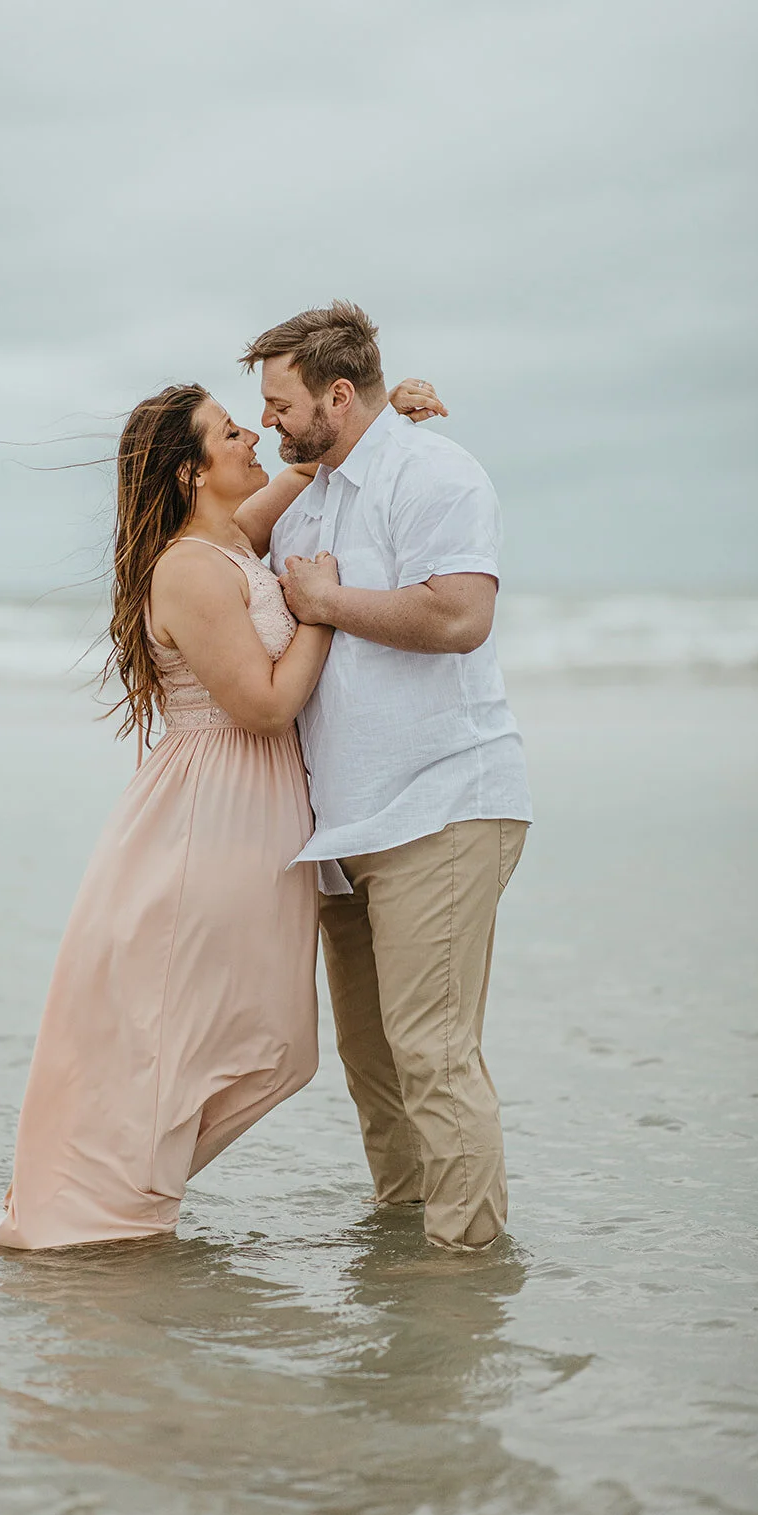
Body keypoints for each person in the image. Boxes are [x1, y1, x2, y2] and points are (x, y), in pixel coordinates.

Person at [0, 372, 440, 1249]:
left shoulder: (233, 542)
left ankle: (120, 1190)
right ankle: (107, 1203)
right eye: (229, 433)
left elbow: (307, 467)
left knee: (274, 1046)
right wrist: (320, 610)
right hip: (210, 813)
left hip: (254, 810)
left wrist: (375, 416)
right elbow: (264, 706)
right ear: (189, 471)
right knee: (193, 1027)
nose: (252, 437)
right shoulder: (186, 569)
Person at [241, 300, 533, 1253]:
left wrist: (330, 600)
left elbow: (458, 617)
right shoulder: (309, 496)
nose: (265, 423)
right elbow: (229, 548)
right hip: (342, 827)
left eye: (279, 404)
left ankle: (463, 1273)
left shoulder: (434, 472)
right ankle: (407, 1254)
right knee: (372, 1066)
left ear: (337, 395)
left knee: (432, 1055)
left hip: (440, 803)